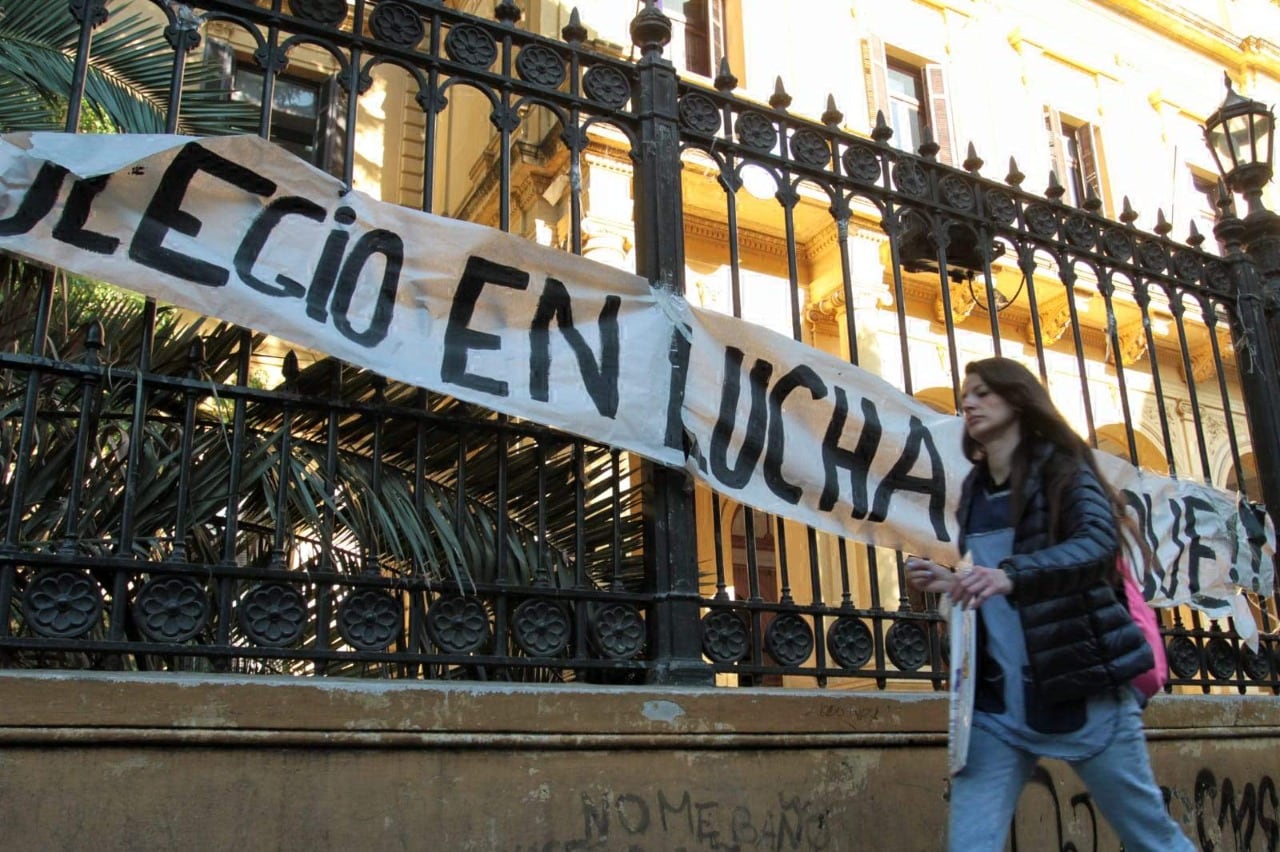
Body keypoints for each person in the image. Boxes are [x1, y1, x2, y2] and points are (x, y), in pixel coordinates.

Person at [905, 357, 1193, 852]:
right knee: (970, 843)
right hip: (996, 705)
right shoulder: (975, 488)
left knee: (1152, 839)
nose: (968, 402)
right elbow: (998, 580)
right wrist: (954, 582)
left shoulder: (1065, 469)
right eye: (965, 395)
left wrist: (1008, 576)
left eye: (983, 392)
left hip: (1079, 688)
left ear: (1018, 399)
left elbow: (1096, 546)